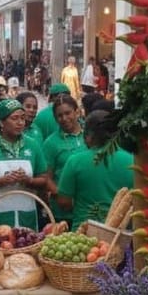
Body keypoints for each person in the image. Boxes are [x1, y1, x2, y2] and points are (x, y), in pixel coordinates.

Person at [0, 98, 48, 229]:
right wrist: (1, 181)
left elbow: (44, 179)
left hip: (26, 215)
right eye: (14, 118)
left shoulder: (32, 145)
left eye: (22, 118)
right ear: (1, 122)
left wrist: (28, 180)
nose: (20, 122)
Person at [56, 110, 134, 229]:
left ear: (89, 136)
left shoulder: (75, 161)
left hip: (83, 233)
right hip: (119, 234)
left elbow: (63, 201)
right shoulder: (131, 161)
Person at [43, 95, 85, 229]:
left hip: (87, 209)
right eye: (59, 116)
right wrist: (62, 196)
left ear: (77, 112)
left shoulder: (89, 135)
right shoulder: (51, 143)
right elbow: (46, 178)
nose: (64, 118)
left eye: (68, 113)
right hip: (63, 213)